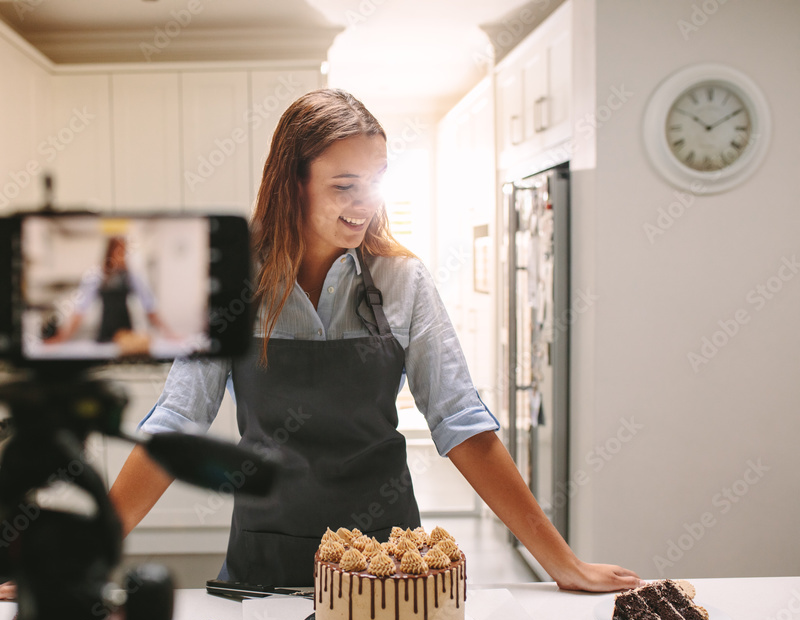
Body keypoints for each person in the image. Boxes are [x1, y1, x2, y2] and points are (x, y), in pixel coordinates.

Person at [103, 88, 641, 592]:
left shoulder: (402, 279)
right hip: (265, 557)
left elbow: (461, 423)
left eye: (376, 179)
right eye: (344, 185)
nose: (365, 202)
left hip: (386, 558)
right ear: (294, 181)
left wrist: (562, 564)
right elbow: (176, 425)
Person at [44, 236, 169, 351]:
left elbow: (150, 307)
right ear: (110, 253)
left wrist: (168, 333)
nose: (122, 256)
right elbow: (80, 310)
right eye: (118, 251)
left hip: (126, 337)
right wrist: (62, 338)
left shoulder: (131, 276)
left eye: (124, 252)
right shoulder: (97, 276)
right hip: (104, 336)